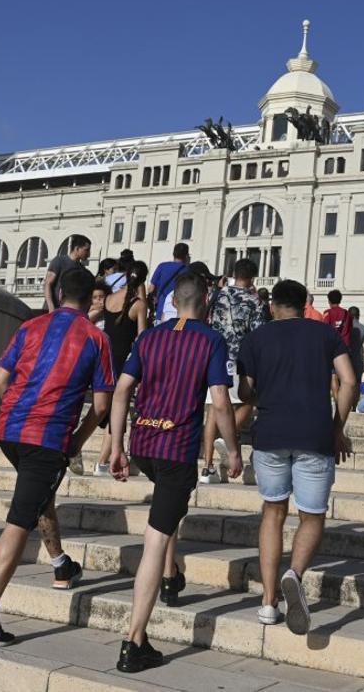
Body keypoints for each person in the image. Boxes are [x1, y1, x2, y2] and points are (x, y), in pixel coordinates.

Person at [0, 267, 113, 648]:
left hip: (9, 430)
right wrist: (76, 439)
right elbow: (103, 404)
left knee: (38, 496)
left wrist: (17, 409)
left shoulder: (30, 327)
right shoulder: (96, 339)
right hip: (47, 437)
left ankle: (61, 565)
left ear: (59, 292)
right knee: (19, 519)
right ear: (92, 296)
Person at [107, 273, 242, 672]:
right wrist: (232, 450)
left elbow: (121, 389)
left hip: (144, 446)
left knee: (167, 517)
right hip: (176, 449)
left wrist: (117, 443)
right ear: (204, 301)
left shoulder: (148, 337)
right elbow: (220, 401)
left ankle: (171, 572)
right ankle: (134, 641)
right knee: (155, 537)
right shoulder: (210, 340)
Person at [238, 279, 355, 634]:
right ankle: (295, 574)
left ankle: (268, 602)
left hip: (270, 433)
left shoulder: (257, 337)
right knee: (312, 515)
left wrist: (262, 394)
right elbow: (348, 381)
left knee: (273, 512)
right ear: (305, 304)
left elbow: (245, 390)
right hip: (314, 432)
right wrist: (338, 427)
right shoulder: (324, 335)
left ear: (273, 305)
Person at [200, 258, 266, 483]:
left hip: (214, 355)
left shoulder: (216, 295)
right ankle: (225, 436)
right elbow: (258, 334)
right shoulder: (254, 301)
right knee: (247, 402)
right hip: (240, 359)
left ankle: (207, 468)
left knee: (212, 410)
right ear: (252, 277)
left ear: (233, 273)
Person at [94, 261, 149, 476]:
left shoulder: (108, 299)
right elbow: (142, 338)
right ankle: (101, 461)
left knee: (106, 411)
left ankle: (102, 459)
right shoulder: (139, 305)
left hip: (104, 359)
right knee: (118, 412)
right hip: (124, 362)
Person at [44, 235, 92, 311]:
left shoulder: (82, 269)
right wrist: (51, 306)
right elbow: (48, 283)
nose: (89, 254)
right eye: (86, 250)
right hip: (53, 310)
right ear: (77, 248)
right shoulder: (59, 261)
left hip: (68, 311)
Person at [147, 242, 190, 323]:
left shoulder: (162, 266)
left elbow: (151, 289)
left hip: (161, 312)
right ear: (186, 256)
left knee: (161, 334)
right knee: (177, 335)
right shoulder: (188, 270)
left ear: (173, 254)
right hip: (180, 315)